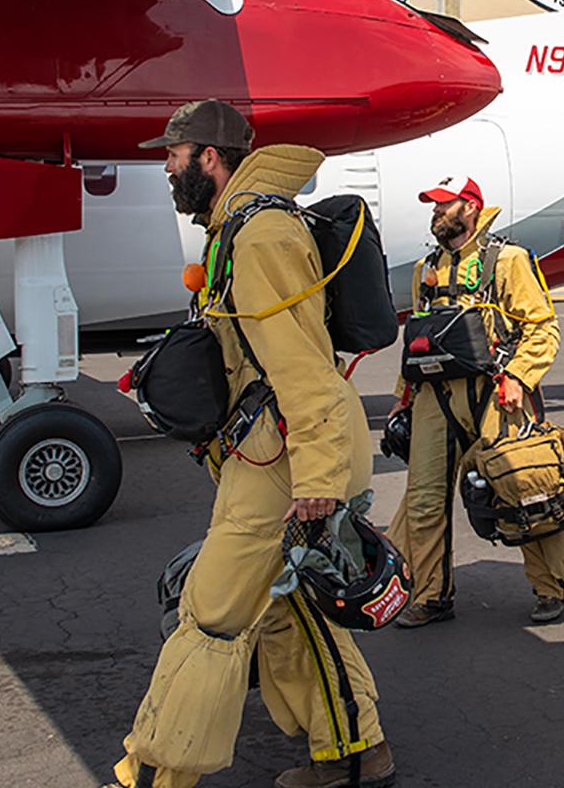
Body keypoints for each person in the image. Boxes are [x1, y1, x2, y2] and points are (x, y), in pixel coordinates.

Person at [113, 100, 394, 788]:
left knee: (210, 617)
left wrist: (318, 480)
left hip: (289, 454)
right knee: (293, 614)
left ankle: (154, 774)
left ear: (209, 157)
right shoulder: (240, 227)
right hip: (276, 449)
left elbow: (300, 366)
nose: (168, 170)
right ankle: (354, 756)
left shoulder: (260, 235)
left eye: (173, 157)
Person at [388, 175, 564, 625]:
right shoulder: (426, 270)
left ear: (472, 208)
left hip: (497, 393)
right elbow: (419, 339)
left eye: (445, 205)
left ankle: (549, 588)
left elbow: (542, 327)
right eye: (433, 206)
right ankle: (431, 595)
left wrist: (519, 375)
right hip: (435, 397)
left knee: (524, 489)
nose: (436, 213)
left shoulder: (509, 261)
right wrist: (405, 396)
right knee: (423, 500)